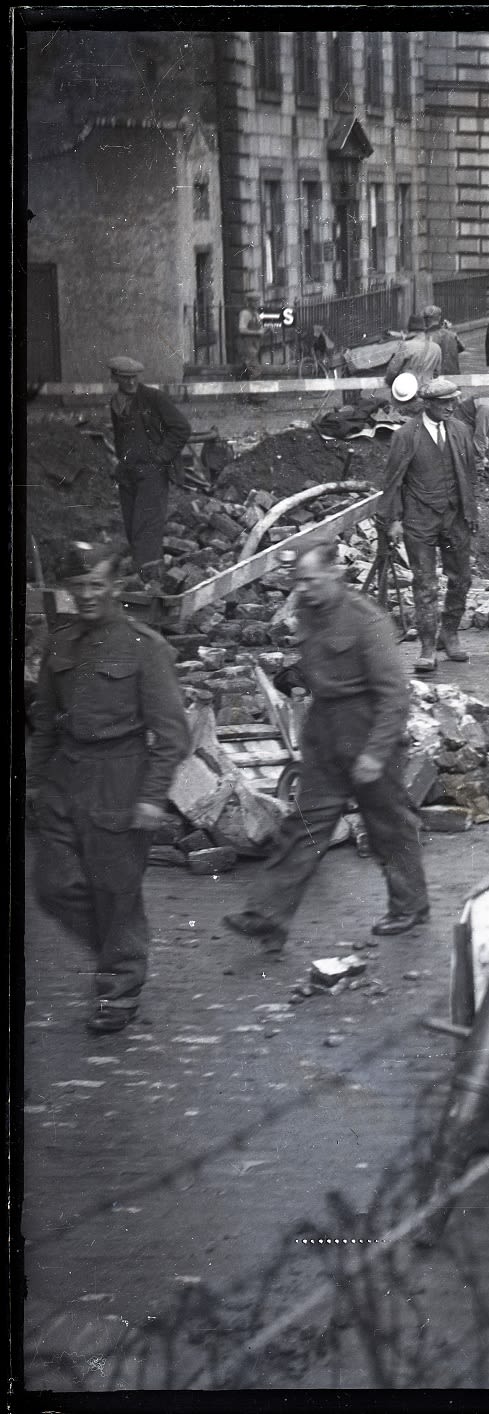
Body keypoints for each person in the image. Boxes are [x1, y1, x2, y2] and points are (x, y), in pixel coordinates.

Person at [223, 544, 431, 951]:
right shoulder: (307, 611)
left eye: (311, 580)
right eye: (297, 582)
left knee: (388, 827)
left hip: (367, 730)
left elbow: (394, 694)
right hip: (325, 733)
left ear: (335, 573)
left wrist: (375, 752)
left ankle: (410, 905)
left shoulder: (367, 620)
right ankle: (268, 915)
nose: (303, 589)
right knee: (304, 827)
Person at [28, 541, 190, 1032]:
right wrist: (34, 783)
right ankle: (121, 953)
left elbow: (172, 734)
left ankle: (119, 992)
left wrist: (152, 796)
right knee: (53, 886)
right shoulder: (60, 643)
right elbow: (45, 722)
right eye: (78, 586)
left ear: (116, 586)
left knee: (115, 891)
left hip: (122, 777)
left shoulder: (147, 647)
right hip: (65, 777)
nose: (87, 595)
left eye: (97, 584)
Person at [379, 373, 481, 675]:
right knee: (424, 583)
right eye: (445, 403)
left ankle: (450, 633)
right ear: (429, 404)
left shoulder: (461, 431)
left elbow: (469, 474)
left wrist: (470, 512)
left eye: (454, 401)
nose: (452, 407)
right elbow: (393, 482)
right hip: (419, 520)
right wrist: (393, 520)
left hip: (454, 517)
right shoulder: (406, 436)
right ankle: (426, 646)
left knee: (461, 578)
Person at [105, 355, 192, 578]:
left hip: (152, 473)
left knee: (147, 529)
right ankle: (141, 579)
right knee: (132, 528)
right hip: (128, 474)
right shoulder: (116, 403)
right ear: (115, 377)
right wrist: (120, 464)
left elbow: (181, 428)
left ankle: (151, 584)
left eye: (134, 378)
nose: (131, 383)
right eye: (125, 378)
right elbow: (119, 437)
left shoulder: (154, 398)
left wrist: (161, 456)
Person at [384, 312, 443, 388]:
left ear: (409, 329)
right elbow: (436, 373)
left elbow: (392, 371)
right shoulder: (436, 348)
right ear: (423, 329)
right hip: (428, 391)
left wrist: (391, 383)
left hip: (407, 390)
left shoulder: (406, 346)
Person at [425, 304, 464, 374]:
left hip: (437, 378)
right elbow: (462, 348)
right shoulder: (451, 334)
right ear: (439, 318)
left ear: (425, 320)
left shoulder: (426, 337)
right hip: (454, 375)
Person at [234, 298, 264, 379]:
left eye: (257, 301)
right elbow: (242, 330)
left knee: (245, 370)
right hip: (246, 345)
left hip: (254, 345)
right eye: (254, 301)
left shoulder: (255, 314)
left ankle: (243, 389)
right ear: (249, 302)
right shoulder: (245, 313)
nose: (257, 303)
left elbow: (258, 328)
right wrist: (258, 332)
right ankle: (255, 390)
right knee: (255, 371)